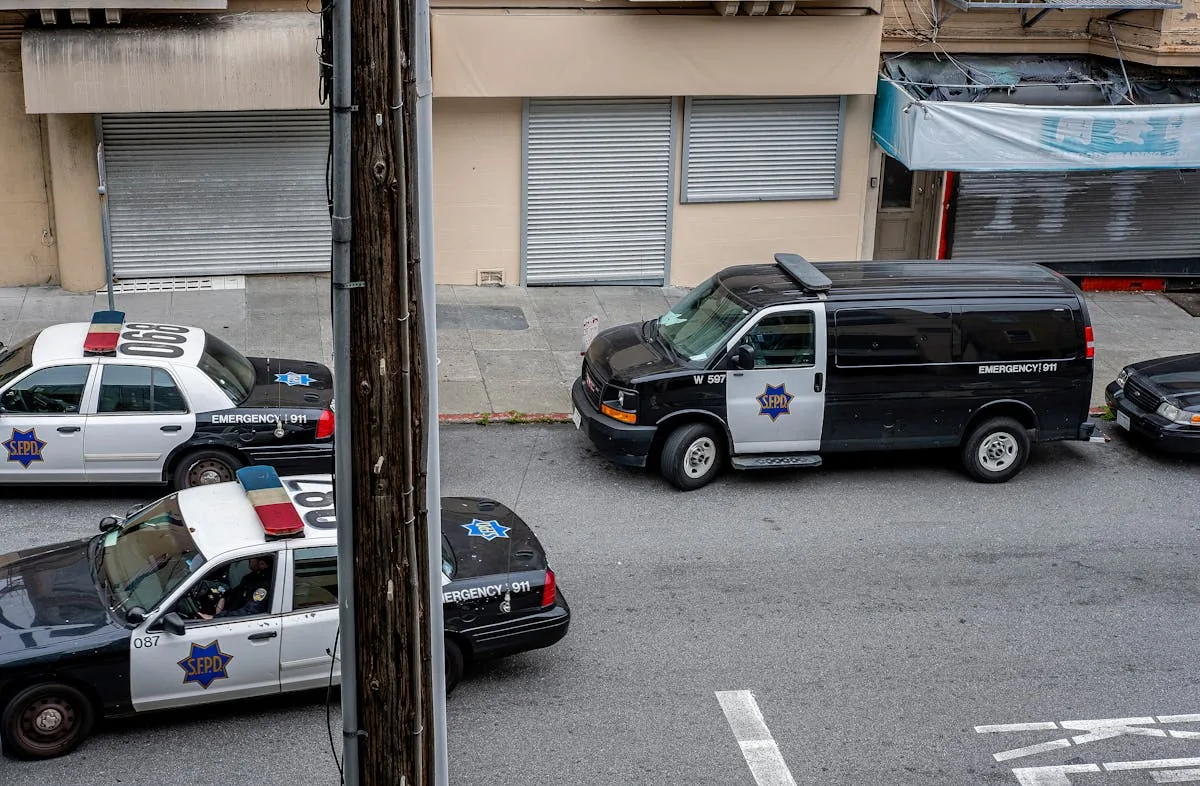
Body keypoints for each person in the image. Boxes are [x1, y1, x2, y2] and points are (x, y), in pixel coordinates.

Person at [198, 555, 273, 619]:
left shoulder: (264, 585)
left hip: (237, 621)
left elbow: (249, 611)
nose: (249, 560)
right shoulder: (251, 578)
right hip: (230, 613)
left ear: (262, 564)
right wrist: (223, 597)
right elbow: (235, 592)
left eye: (252, 559)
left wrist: (216, 617)